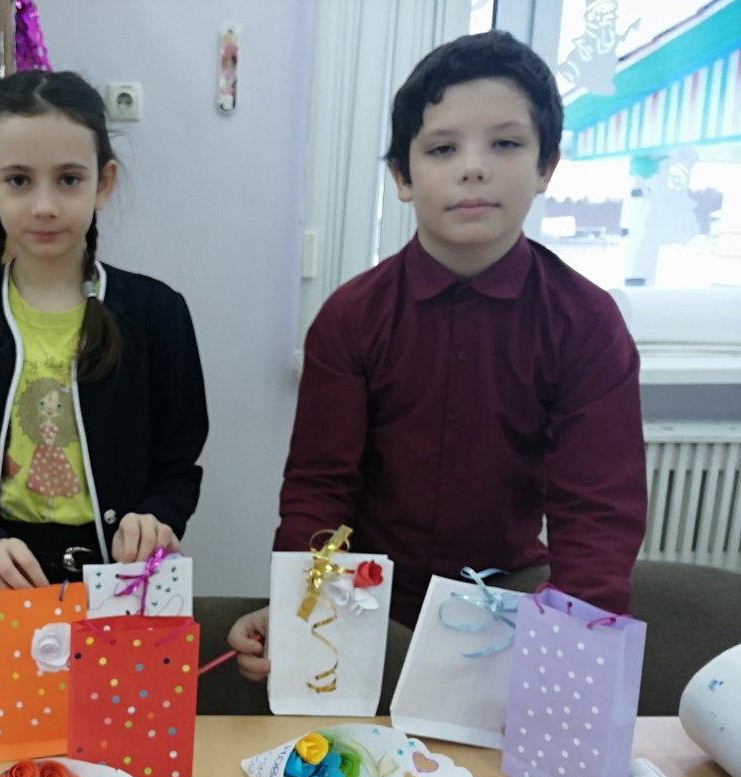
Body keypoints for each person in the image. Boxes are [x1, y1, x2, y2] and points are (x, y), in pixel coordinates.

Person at [228, 31, 646, 684]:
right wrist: (296, 605)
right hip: (365, 599)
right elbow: (319, 489)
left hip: (511, 597)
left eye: (505, 144)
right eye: (443, 148)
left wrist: (572, 644)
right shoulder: (351, 317)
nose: (473, 168)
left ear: (546, 166)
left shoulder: (586, 323)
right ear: (402, 175)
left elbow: (597, 513)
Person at [0, 70, 209, 594]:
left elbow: (178, 466)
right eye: (19, 180)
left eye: (68, 179)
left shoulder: (157, 313)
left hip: (118, 585)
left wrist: (156, 519)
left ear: (104, 183)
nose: (44, 205)